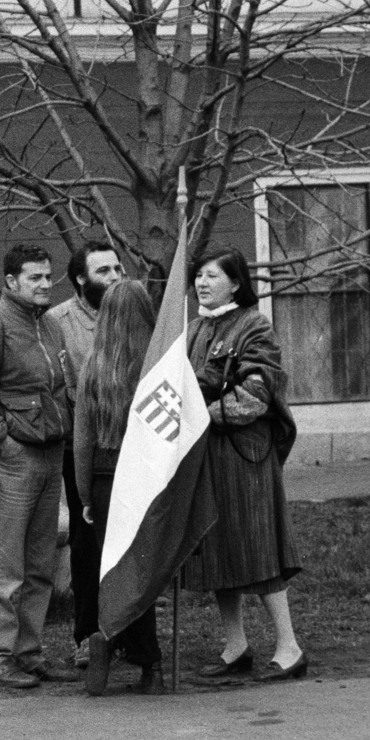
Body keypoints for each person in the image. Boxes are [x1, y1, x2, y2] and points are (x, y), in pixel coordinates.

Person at [0, 244, 80, 688]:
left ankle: (28, 653)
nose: (45, 284)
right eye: (34, 278)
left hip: (50, 454)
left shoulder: (51, 325)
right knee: (6, 567)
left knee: (40, 564)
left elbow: (61, 387)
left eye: (48, 276)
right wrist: (2, 441)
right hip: (14, 459)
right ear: (10, 282)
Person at [185, 247, 306, 683]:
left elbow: (256, 394)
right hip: (208, 456)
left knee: (258, 547)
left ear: (236, 283)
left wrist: (201, 414)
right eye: (199, 275)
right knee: (218, 549)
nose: (202, 283)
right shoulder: (195, 329)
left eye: (213, 275)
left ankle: (289, 648)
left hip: (245, 456)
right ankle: (235, 647)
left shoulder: (255, 326)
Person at [72, 281, 165, 695]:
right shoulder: (158, 365)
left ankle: (107, 637)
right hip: (147, 476)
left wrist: (85, 495)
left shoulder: (94, 367)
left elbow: (82, 440)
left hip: (105, 479)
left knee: (111, 570)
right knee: (142, 571)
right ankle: (149, 663)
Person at [49, 241, 125, 666]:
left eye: (117, 268)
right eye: (103, 271)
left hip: (129, 447)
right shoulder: (57, 323)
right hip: (82, 450)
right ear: (80, 279)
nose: (114, 277)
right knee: (86, 543)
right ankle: (88, 636)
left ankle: (130, 633)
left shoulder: (132, 313)